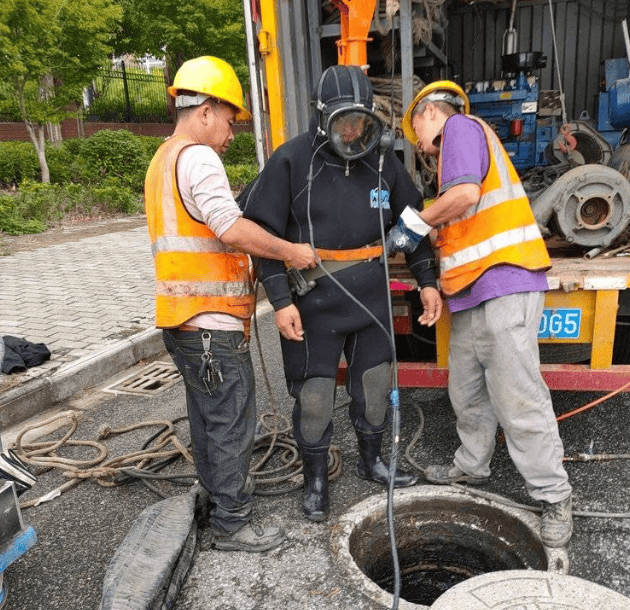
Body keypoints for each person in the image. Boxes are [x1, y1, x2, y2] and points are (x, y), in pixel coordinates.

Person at [240, 65, 442, 522]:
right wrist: (280, 301)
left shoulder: (384, 163)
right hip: (312, 307)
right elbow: (259, 235)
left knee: (374, 387)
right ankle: (315, 478)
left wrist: (427, 281)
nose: (352, 132)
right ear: (319, 117)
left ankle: (371, 461)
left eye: (361, 121)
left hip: (371, 302)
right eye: (341, 122)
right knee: (313, 398)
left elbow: (415, 226)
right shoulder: (290, 161)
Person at [388, 80, 573, 548]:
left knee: (518, 396)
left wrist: (416, 221)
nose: (425, 152)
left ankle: (554, 496)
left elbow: (467, 196)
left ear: (428, 114)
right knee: (466, 391)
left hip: (504, 281)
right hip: (469, 295)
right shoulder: (452, 155)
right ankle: (472, 467)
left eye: (419, 138)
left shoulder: (461, 129)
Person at [144, 56, 319, 552]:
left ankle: (217, 502)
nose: (232, 131)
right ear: (205, 111)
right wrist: (290, 252)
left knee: (207, 417)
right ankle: (233, 524)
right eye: (230, 118)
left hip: (181, 322)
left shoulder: (162, 159)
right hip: (211, 327)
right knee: (231, 423)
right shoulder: (198, 157)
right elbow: (229, 227)